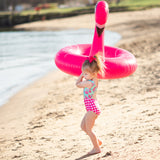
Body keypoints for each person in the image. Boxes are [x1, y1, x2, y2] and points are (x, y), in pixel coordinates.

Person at [76, 54, 105, 155]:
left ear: (93, 73)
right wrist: (85, 73)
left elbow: (77, 84)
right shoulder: (94, 79)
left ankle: (96, 148)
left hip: (92, 109)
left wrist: (80, 75)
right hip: (92, 108)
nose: (84, 75)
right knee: (83, 127)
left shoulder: (89, 83)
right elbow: (93, 70)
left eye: (86, 74)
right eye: (83, 73)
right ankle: (97, 141)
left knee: (88, 129)